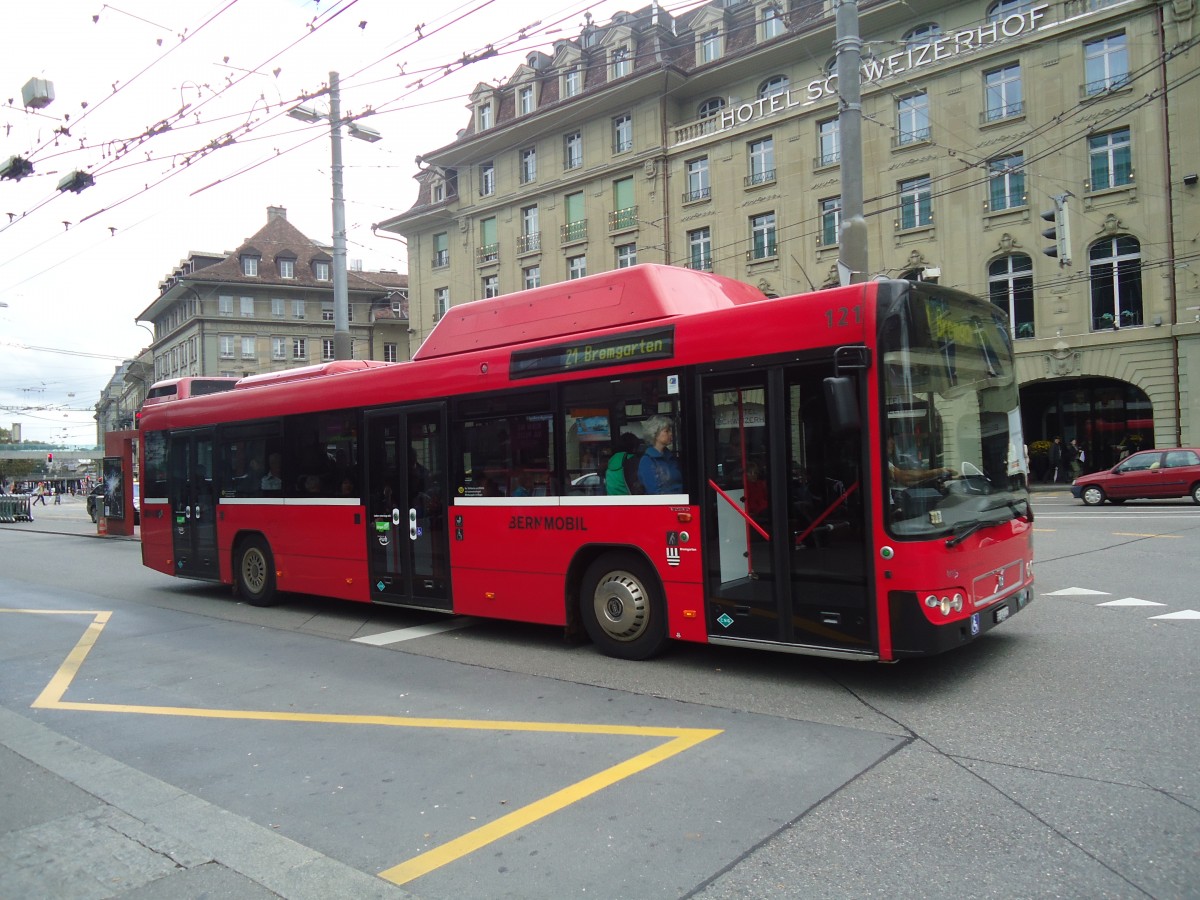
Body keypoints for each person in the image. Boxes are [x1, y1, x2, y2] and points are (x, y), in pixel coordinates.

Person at [638, 415, 683, 494]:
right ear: (655, 434)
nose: (671, 434)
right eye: (667, 431)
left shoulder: (671, 457)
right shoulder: (647, 461)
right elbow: (653, 491)